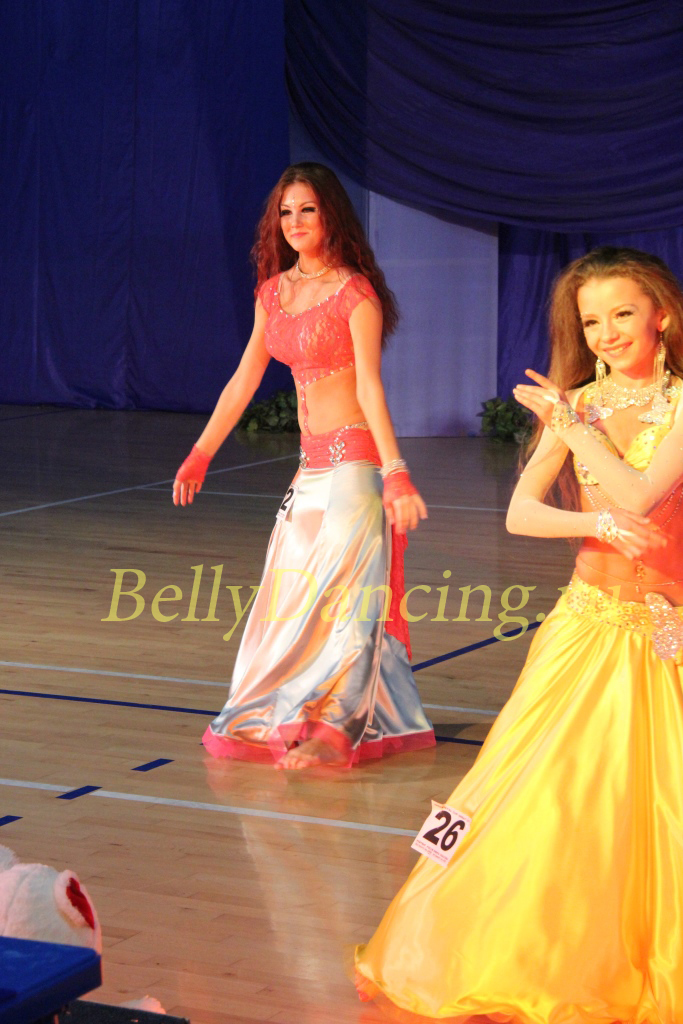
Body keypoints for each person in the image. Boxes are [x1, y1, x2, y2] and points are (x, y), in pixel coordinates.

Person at [355, 246, 683, 1022]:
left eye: (621, 314)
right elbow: (520, 513)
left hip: (662, 629)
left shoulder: (670, 406)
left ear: (662, 317)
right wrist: (591, 518)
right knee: (537, 797)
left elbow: (640, 493)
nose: (605, 333)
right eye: (590, 321)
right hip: (581, 628)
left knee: (651, 808)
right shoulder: (580, 405)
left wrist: (571, 425)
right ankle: (521, 951)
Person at [173, 162, 435, 770]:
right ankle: (300, 713)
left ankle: (333, 729)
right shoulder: (275, 292)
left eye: (307, 209)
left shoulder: (356, 293)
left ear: (331, 214)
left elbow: (369, 388)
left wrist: (396, 470)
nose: (294, 222)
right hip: (308, 469)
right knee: (289, 599)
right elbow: (244, 380)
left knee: (347, 601)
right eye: (285, 211)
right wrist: (201, 451)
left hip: (356, 464)